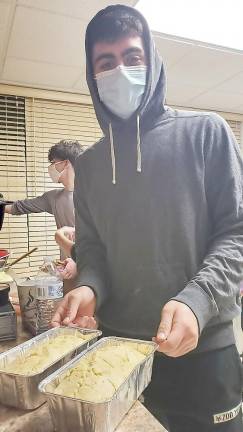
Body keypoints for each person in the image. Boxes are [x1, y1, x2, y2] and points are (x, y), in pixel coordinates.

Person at [52, 5, 243, 431]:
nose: (120, 71)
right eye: (106, 63)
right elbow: (94, 248)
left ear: (152, 61)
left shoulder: (207, 134)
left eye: (132, 57)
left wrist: (196, 301)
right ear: (92, 76)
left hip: (204, 354)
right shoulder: (93, 167)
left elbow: (236, 234)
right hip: (116, 354)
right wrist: (89, 287)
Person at [5, 139, 84, 293]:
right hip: (67, 271)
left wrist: (80, 263)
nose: (51, 168)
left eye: (54, 162)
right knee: (69, 313)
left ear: (66, 163)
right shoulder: (53, 198)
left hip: (91, 272)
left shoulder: (94, 195)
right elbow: (18, 207)